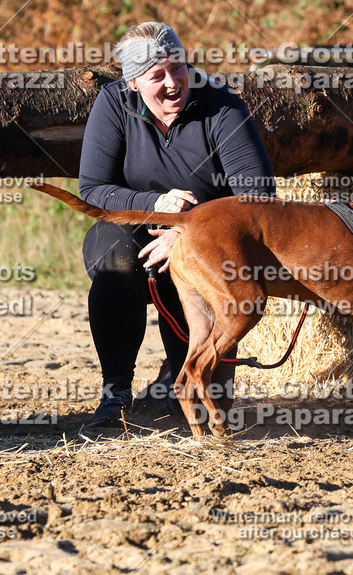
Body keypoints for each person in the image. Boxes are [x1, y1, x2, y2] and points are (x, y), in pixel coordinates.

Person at [78, 21, 274, 426]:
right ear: (133, 82)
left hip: (212, 242)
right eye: (157, 76)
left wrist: (187, 233)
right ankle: (115, 392)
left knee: (208, 406)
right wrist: (156, 205)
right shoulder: (113, 103)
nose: (172, 83)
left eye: (179, 67)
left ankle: (174, 374)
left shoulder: (222, 106)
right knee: (116, 259)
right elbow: (94, 189)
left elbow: (258, 197)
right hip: (132, 232)